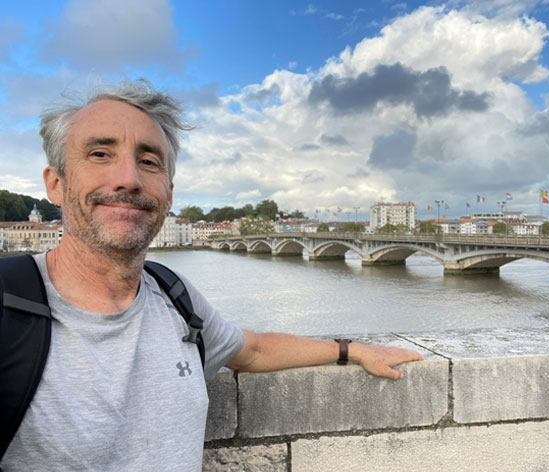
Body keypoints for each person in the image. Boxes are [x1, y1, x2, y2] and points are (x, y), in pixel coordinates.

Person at [1, 79, 422, 471]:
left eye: (149, 162)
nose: (128, 178)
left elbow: (252, 349)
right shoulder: (8, 306)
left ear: (168, 193)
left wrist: (353, 350)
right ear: (55, 183)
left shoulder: (175, 299)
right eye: (99, 154)